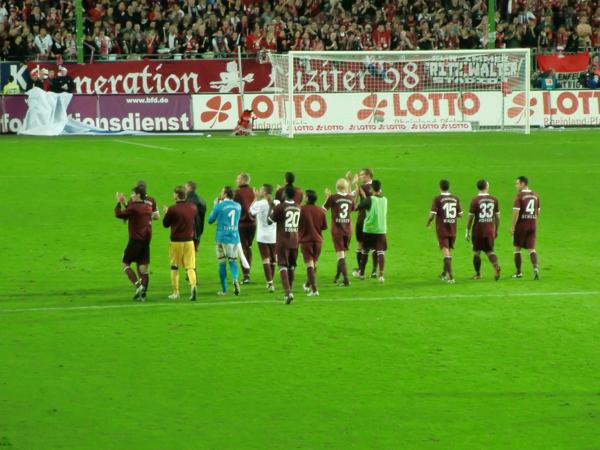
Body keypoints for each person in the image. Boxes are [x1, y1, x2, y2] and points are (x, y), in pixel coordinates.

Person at [114, 185, 153, 301]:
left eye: (132, 194)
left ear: (138, 195)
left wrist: (118, 202)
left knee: (125, 264)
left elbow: (119, 214)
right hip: (146, 242)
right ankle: (143, 295)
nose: (131, 196)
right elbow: (132, 212)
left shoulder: (134, 208)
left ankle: (138, 286)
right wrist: (125, 203)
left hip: (135, 241)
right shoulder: (148, 207)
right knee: (143, 269)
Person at [163, 185, 198, 300]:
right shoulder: (193, 207)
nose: (172, 195)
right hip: (189, 241)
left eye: (174, 193)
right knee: (190, 267)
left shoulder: (172, 209)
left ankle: (176, 292)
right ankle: (193, 286)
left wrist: (167, 213)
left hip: (176, 242)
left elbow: (165, 224)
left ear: (177, 195)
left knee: (174, 267)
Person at [269, 185, 301, 304]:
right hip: (295, 240)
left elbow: (269, 221)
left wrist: (272, 207)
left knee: (282, 266)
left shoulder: (280, 207)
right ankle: (290, 290)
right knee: (291, 266)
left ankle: (287, 294)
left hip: (282, 241)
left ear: (285, 194)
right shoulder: (298, 207)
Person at [427, 179, 463, 283]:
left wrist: (429, 222)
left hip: (442, 229)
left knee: (445, 252)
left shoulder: (438, 199)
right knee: (447, 251)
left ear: (440, 187)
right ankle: (444, 273)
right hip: (453, 229)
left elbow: (432, 214)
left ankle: (451, 277)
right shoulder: (455, 198)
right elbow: (460, 214)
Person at [208, 186, 242, 296]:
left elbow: (210, 220)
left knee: (222, 264)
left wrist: (215, 206)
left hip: (221, 238)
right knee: (233, 261)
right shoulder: (238, 206)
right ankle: (235, 280)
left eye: (222, 192)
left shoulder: (219, 206)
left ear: (226, 194)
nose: (221, 193)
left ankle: (224, 290)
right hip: (234, 238)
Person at [465, 179, 501, 281]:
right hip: (490, 229)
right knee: (490, 251)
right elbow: (498, 217)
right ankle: (496, 266)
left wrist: (467, 230)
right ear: (486, 187)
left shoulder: (475, 200)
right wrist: (496, 229)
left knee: (476, 252)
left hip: (478, 230)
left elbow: (470, 217)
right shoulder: (494, 199)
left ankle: (478, 274)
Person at [323, 178, 354, 286]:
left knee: (340, 255)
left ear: (336, 187)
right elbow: (353, 208)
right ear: (346, 187)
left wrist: (327, 198)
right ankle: (337, 276)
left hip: (338, 230)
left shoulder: (333, 197)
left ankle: (346, 280)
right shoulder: (351, 198)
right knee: (343, 254)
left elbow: (323, 210)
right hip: (349, 230)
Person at [249, 184, 278, 292]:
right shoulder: (276, 202)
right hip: (274, 236)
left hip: (262, 236)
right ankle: (271, 281)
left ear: (265, 192)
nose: (260, 191)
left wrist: (255, 198)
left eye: (261, 190)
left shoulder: (259, 203)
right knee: (273, 260)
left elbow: (250, 211)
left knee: (265, 259)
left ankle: (270, 283)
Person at [357, 179, 387, 282]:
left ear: (371, 188)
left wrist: (363, 196)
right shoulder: (385, 199)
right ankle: (381, 275)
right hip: (381, 229)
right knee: (380, 252)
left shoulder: (370, 199)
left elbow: (358, 207)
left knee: (365, 251)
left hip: (369, 229)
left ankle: (361, 274)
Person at [510, 176, 540, 280]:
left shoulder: (519, 196)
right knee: (532, 249)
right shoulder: (535, 195)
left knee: (517, 248)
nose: (516, 185)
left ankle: (518, 273)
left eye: (517, 183)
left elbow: (516, 212)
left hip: (521, 226)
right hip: (532, 225)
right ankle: (535, 269)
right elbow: (538, 212)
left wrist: (513, 226)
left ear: (522, 184)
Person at [299, 190, 328, 296]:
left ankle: (314, 290)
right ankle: (307, 285)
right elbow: (324, 227)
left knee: (309, 265)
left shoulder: (301, 209)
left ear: (307, 198)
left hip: (306, 241)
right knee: (314, 264)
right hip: (318, 241)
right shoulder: (320, 211)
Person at [349, 168, 376, 278]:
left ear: (368, 175)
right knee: (374, 245)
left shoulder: (363, 188)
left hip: (363, 218)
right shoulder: (376, 187)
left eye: (362, 175)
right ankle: (374, 271)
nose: (360, 177)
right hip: (374, 219)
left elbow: (351, 199)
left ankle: (360, 270)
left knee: (360, 243)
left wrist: (353, 183)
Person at [234, 172, 256, 284]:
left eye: (238, 179)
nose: (236, 181)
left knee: (243, 249)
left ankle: (246, 275)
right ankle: (248, 272)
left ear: (243, 180)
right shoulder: (254, 191)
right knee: (249, 247)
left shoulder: (236, 193)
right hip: (253, 224)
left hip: (241, 224)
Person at [185, 181, 207, 252]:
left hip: (188, 233)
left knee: (186, 256)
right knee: (193, 255)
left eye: (185, 187)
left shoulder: (186, 200)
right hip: (198, 231)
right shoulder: (202, 200)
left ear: (189, 187)